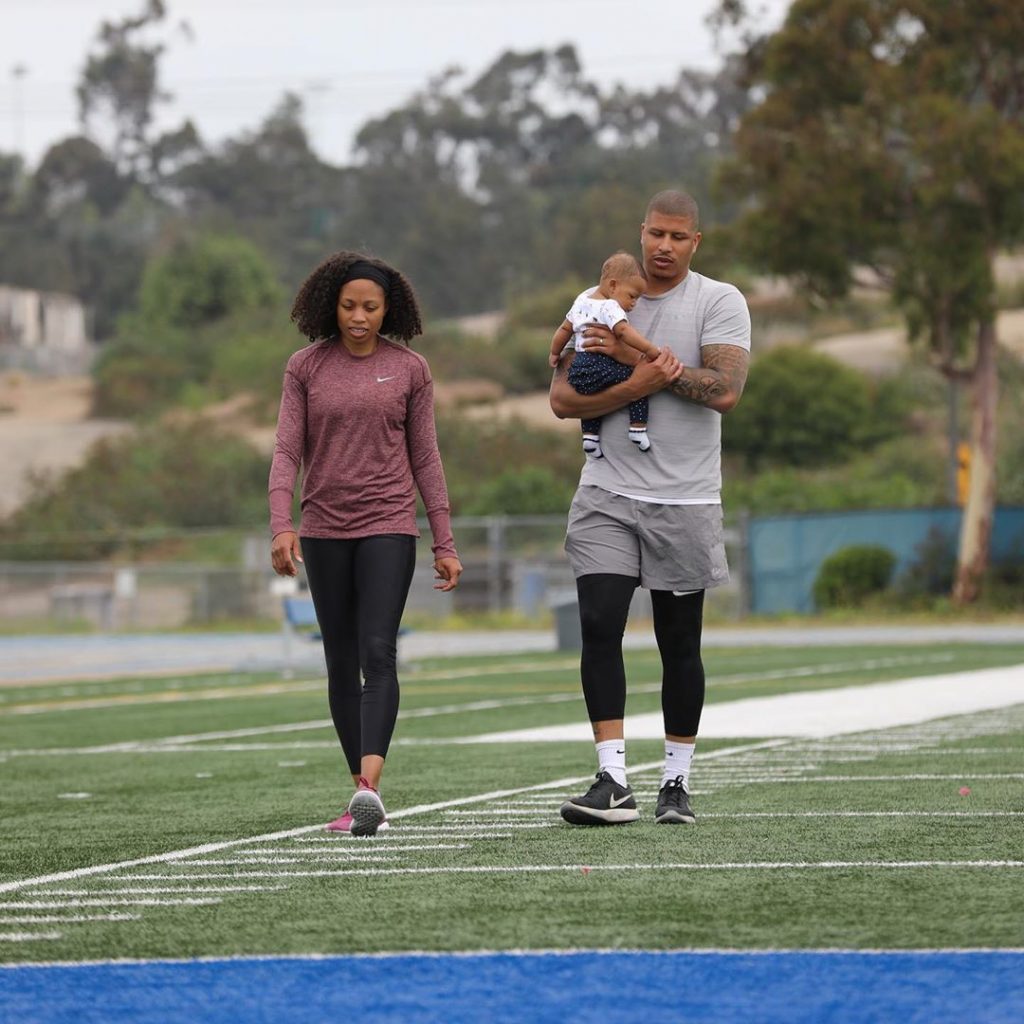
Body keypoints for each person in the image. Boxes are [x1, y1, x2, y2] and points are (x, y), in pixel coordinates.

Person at [549, 189, 751, 827]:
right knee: (600, 624)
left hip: (684, 497)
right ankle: (612, 778)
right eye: (655, 234)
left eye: (678, 237)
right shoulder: (602, 300)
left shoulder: (719, 301)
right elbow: (561, 399)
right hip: (606, 492)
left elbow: (724, 391)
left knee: (678, 643)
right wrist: (640, 379)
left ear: (697, 242)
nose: (664, 247)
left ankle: (675, 783)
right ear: (641, 234)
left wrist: (644, 370)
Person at [269, 251, 462, 837]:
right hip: (324, 529)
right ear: (331, 306)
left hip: (388, 525)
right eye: (349, 305)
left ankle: (368, 788)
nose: (359, 316)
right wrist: (282, 522)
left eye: (370, 307)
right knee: (339, 660)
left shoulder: (410, 369)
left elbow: (425, 457)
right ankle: (361, 792)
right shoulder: (305, 367)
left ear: (389, 310)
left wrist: (444, 540)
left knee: (378, 653)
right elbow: (286, 451)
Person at [547, 252, 660, 458]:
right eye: (632, 296)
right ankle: (637, 427)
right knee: (640, 380)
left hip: (579, 369)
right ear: (613, 286)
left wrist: (555, 353)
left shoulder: (581, 299)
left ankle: (590, 436)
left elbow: (564, 330)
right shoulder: (610, 306)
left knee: (591, 397)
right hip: (600, 365)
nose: (634, 303)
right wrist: (649, 350)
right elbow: (624, 332)